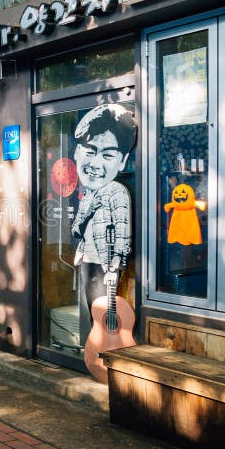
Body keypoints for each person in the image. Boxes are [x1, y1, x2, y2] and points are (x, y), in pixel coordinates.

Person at [70, 104, 137, 344]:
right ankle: (95, 351)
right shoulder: (88, 194)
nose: (96, 163)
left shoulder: (117, 192)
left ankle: (106, 351)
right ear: (77, 152)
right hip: (87, 258)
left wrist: (114, 267)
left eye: (108, 155)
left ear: (123, 161)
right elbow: (76, 228)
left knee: (102, 309)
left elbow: (122, 233)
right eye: (89, 151)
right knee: (92, 310)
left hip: (105, 263)